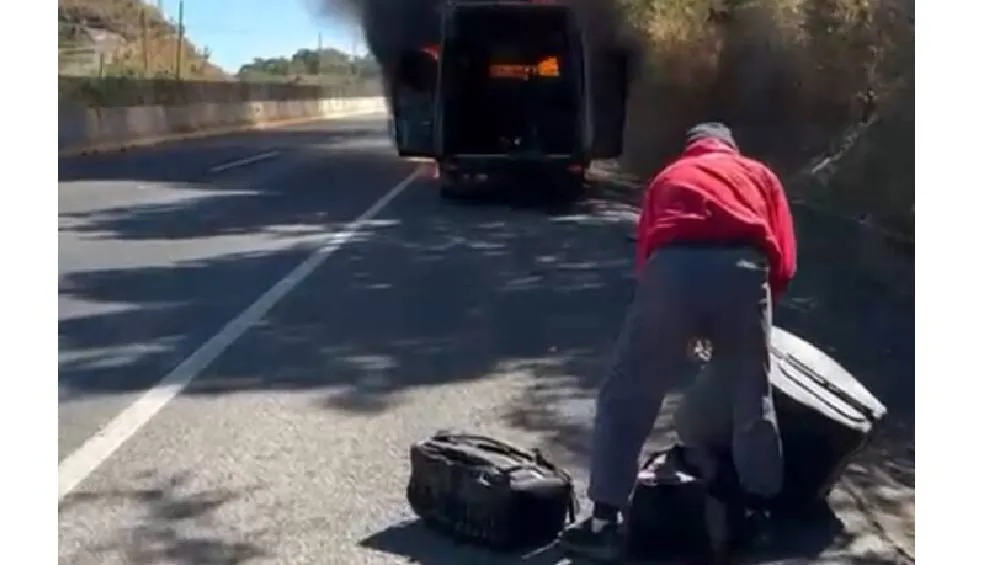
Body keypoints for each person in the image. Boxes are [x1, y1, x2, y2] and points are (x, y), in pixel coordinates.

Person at [558, 122, 797, 562]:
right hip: (746, 267)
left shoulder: (669, 176)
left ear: (691, 149)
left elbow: (647, 250)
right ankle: (758, 519)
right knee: (751, 395)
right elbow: (784, 255)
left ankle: (605, 521)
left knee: (628, 393)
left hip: (672, 270)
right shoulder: (760, 176)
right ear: (730, 148)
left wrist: (675, 326)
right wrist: (755, 318)